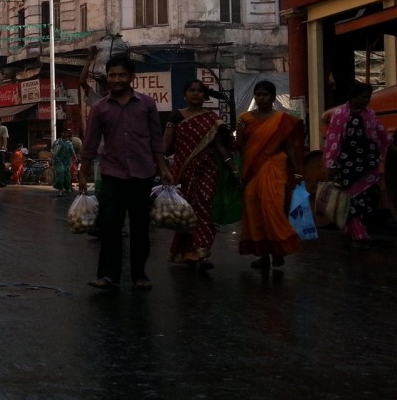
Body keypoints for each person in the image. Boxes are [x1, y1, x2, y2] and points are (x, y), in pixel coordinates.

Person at [77, 55, 173, 291]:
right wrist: (83, 172)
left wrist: (163, 168)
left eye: (121, 75)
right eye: (112, 75)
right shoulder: (100, 108)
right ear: (107, 78)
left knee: (140, 227)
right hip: (112, 173)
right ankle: (109, 275)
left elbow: (156, 140)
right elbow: (90, 143)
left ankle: (139, 274)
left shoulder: (147, 104)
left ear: (131, 77)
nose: (117, 80)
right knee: (110, 226)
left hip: (143, 173)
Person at [163, 79, 235, 271]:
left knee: (204, 206)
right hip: (183, 171)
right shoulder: (177, 116)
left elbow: (219, 146)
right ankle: (187, 251)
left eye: (199, 91)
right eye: (191, 90)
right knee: (186, 211)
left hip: (207, 169)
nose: (196, 94)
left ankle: (202, 252)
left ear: (205, 96)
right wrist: (161, 167)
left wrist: (232, 168)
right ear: (184, 95)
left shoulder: (212, 118)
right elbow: (165, 145)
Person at [235, 79, 303, 269]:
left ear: (273, 97)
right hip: (251, 170)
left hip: (275, 167)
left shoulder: (282, 120)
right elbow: (239, 146)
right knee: (254, 210)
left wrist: (298, 171)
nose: (261, 98)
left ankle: (279, 251)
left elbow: (289, 146)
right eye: (258, 94)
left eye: (265, 94)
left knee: (272, 208)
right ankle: (264, 256)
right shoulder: (244, 119)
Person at [322, 82, 393, 241]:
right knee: (353, 201)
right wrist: (330, 164)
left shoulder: (370, 114)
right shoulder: (340, 115)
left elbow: (381, 133)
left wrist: (391, 144)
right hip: (348, 165)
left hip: (368, 166)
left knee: (369, 199)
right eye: (364, 97)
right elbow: (334, 140)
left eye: (368, 97)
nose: (367, 100)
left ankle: (353, 231)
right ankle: (359, 234)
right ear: (354, 97)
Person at [51, 129, 76, 195]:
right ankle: (60, 190)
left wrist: (75, 158)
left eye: (66, 133)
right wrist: (52, 158)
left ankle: (67, 188)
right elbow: (53, 150)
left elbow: (72, 151)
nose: (65, 134)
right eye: (64, 133)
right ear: (61, 133)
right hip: (58, 161)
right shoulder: (57, 142)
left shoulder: (69, 143)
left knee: (67, 175)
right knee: (61, 173)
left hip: (66, 162)